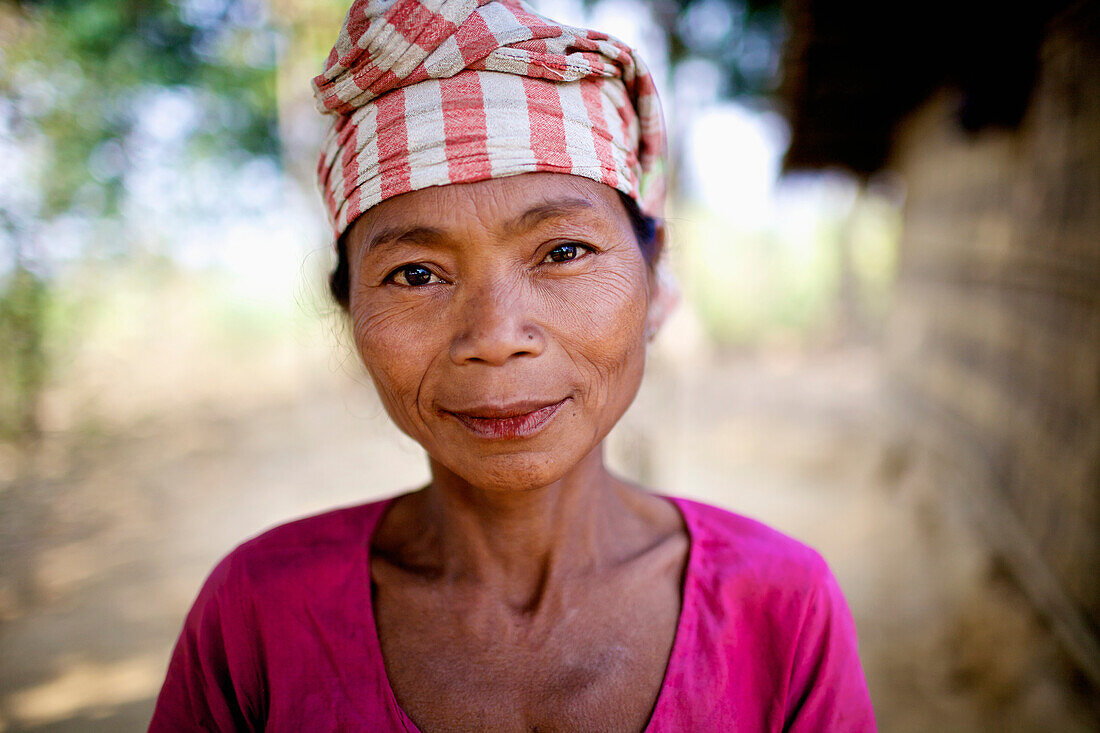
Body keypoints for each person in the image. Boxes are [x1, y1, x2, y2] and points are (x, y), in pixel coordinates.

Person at [149, 0, 877, 730]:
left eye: (563, 252)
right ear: (349, 314)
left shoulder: (782, 605)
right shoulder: (258, 614)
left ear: (654, 283)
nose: (495, 336)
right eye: (415, 273)